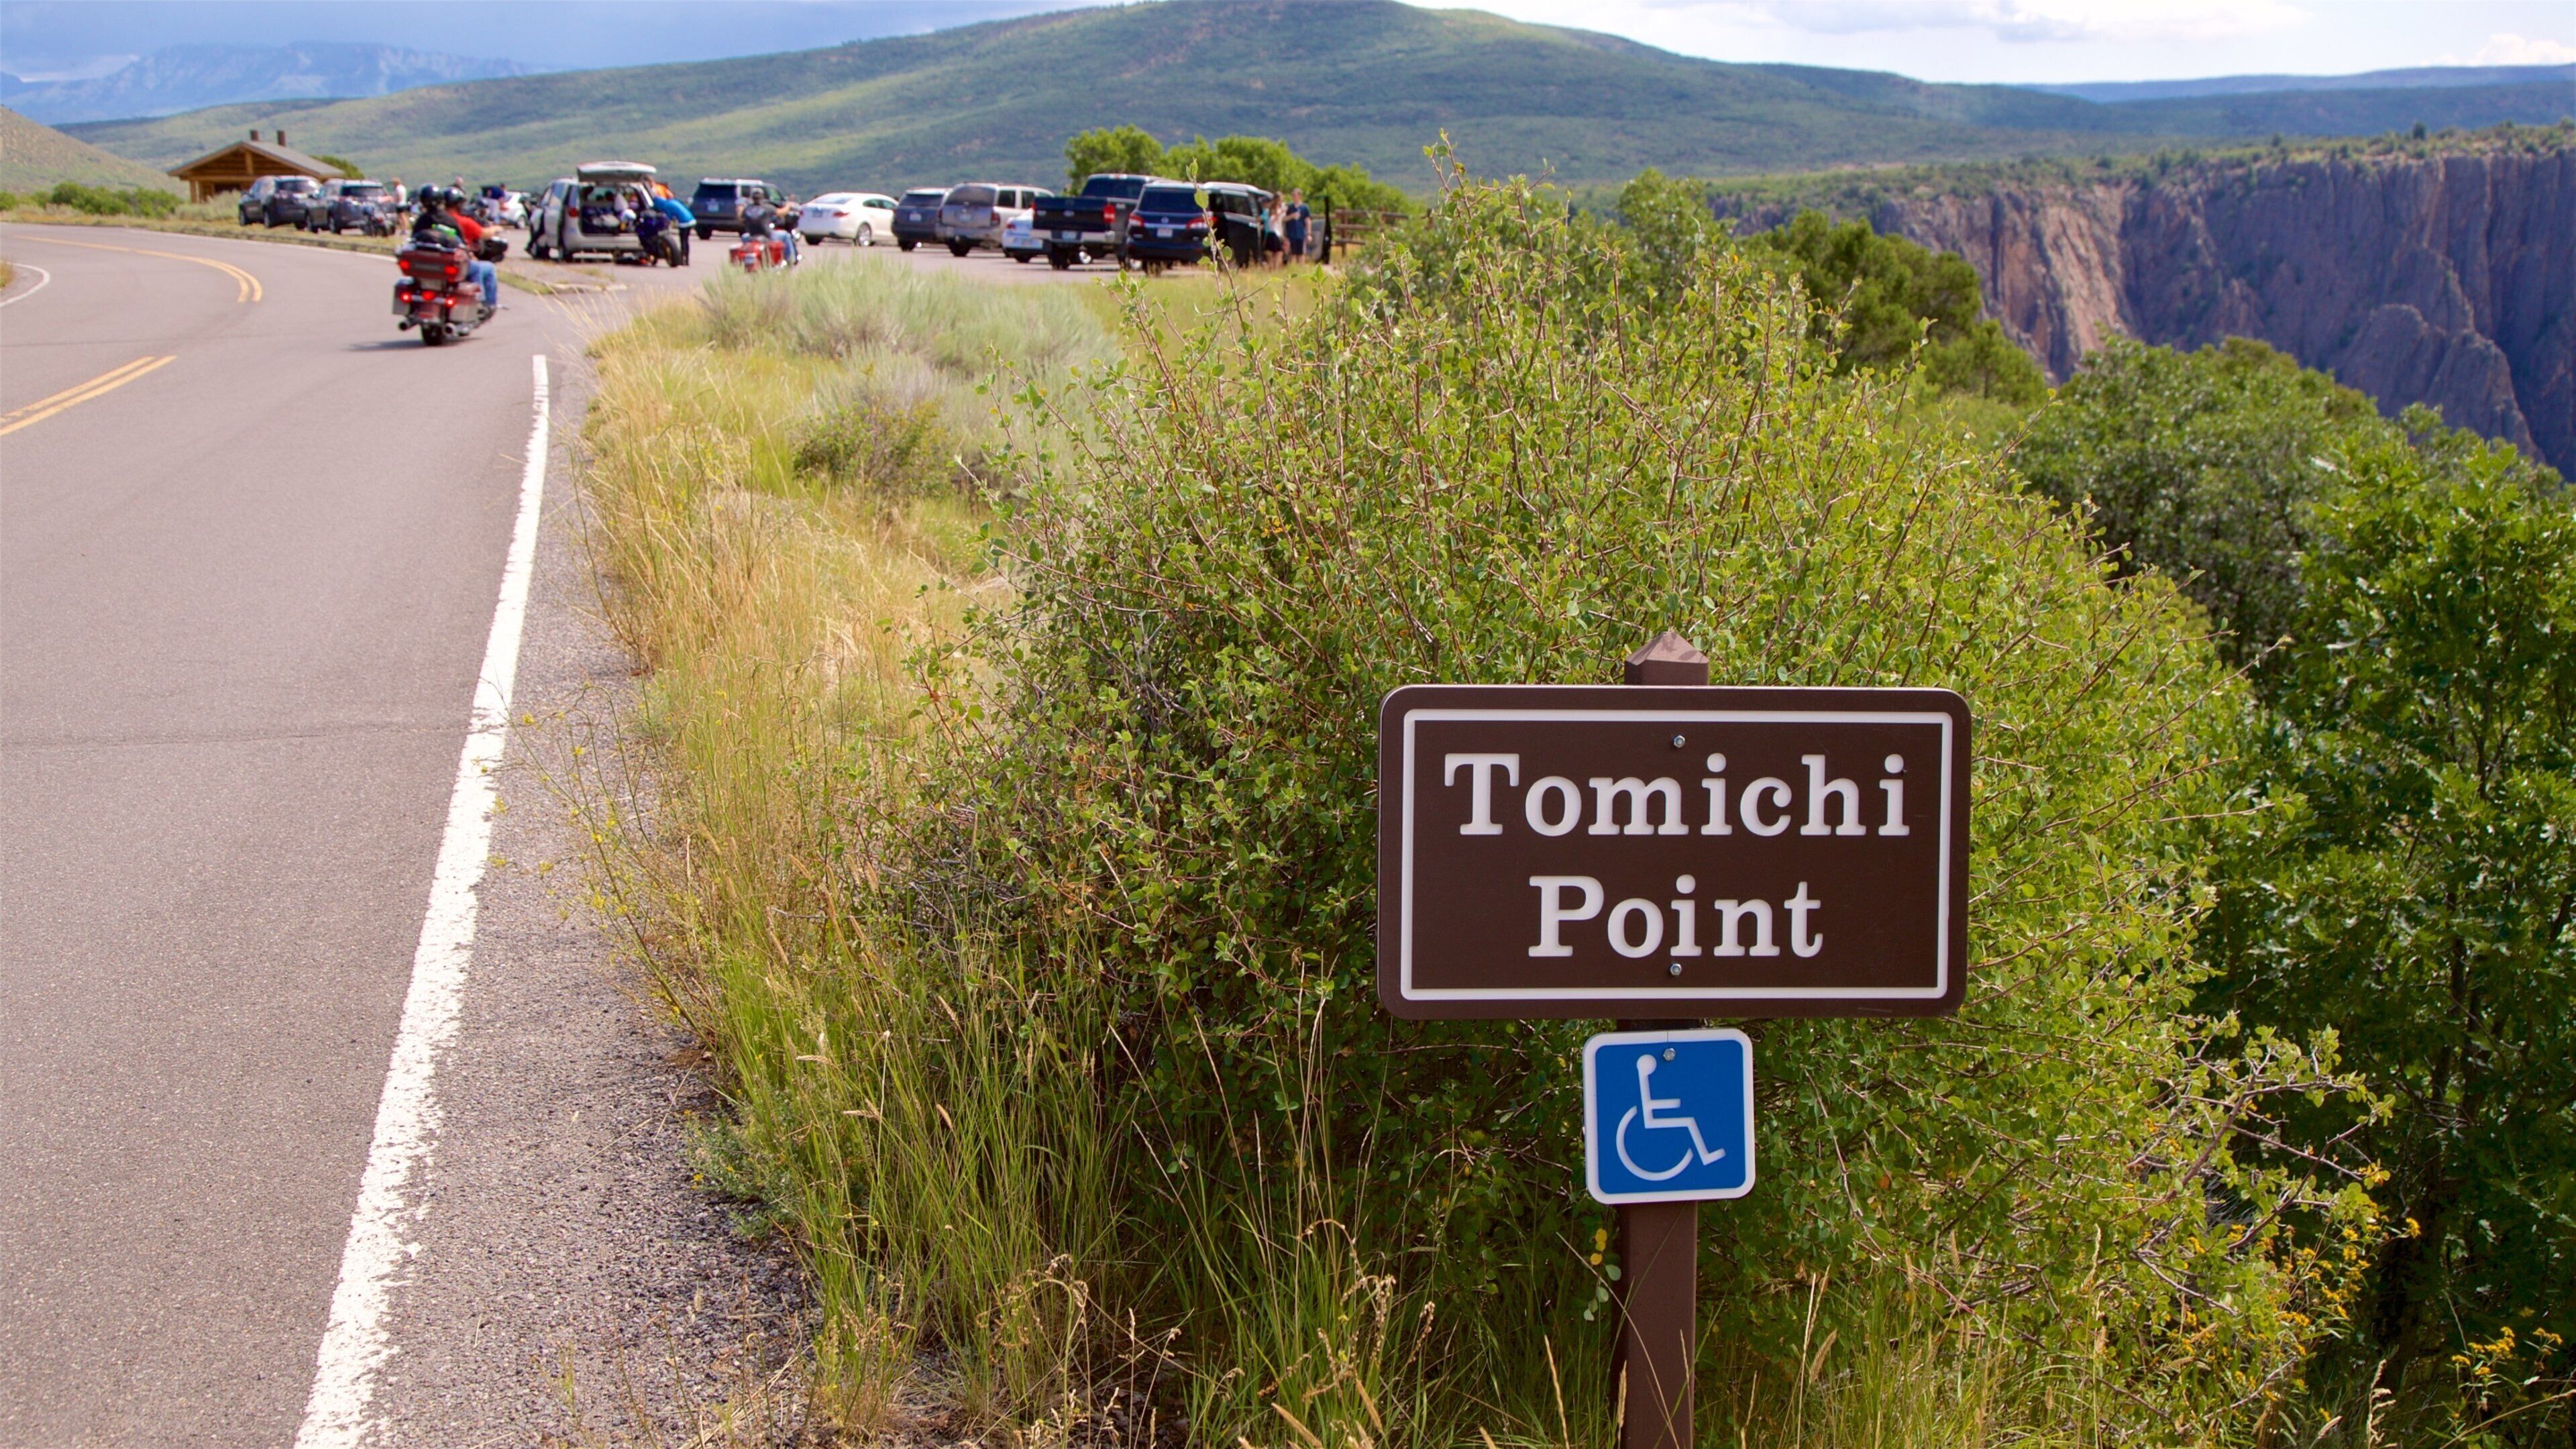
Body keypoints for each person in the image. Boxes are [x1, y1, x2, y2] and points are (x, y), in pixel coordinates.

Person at [414, 188, 500, 311]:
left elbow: (413, 240)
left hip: (425, 266)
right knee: (483, 268)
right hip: (448, 266)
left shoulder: (421, 221)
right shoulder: (452, 221)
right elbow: (464, 242)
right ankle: (482, 303)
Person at [1285, 189, 1311, 264]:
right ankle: (1294, 267)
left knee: (1301, 253)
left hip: (1301, 233)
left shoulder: (1305, 207)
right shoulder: (1289, 207)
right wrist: (1292, 216)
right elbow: (1283, 219)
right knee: (1293, 253)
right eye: (1292, 195)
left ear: (1299, 196)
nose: (1293, 197)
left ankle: (1301, 267)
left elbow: (1308, 221)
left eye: (1295, 195)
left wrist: (1309, 234)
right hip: (1291, 234)